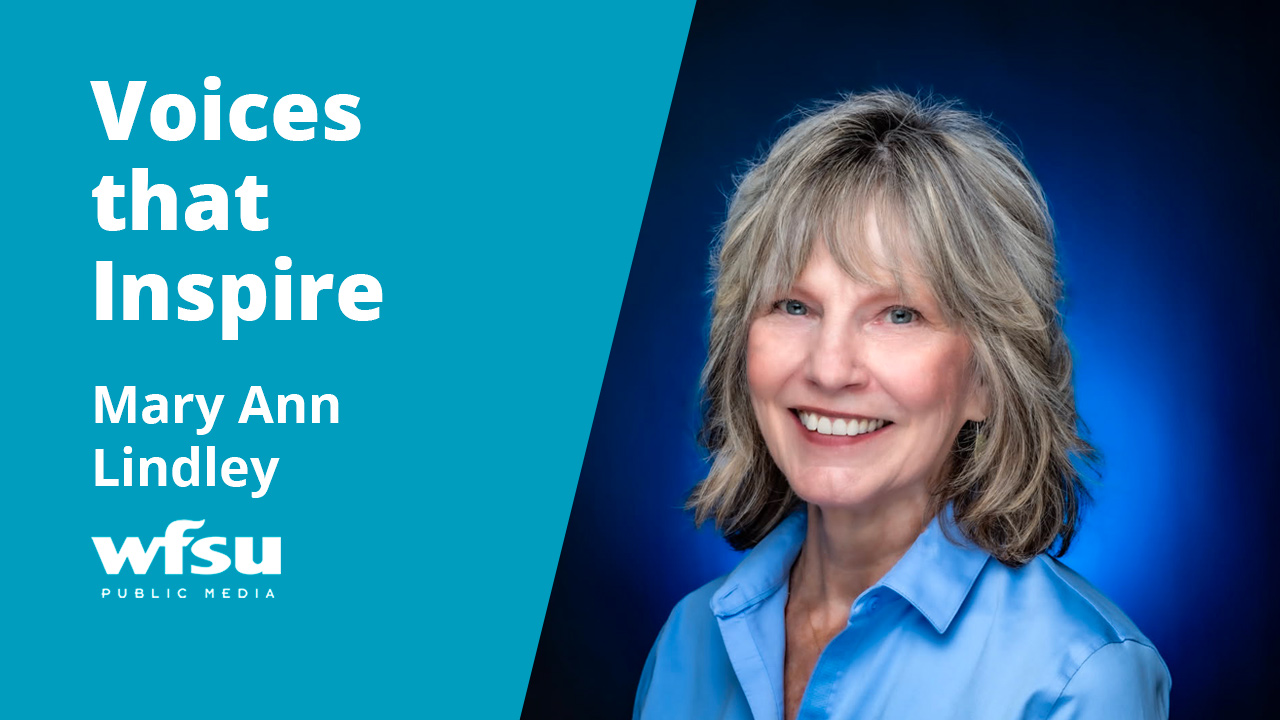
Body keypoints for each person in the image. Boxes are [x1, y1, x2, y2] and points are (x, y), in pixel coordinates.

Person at [633, 90, 1170, 719]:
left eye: (898, 314)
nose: (829, 369)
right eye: (795, 306)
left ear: (987, 379)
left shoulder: (1080, 680)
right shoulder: (689, 640)